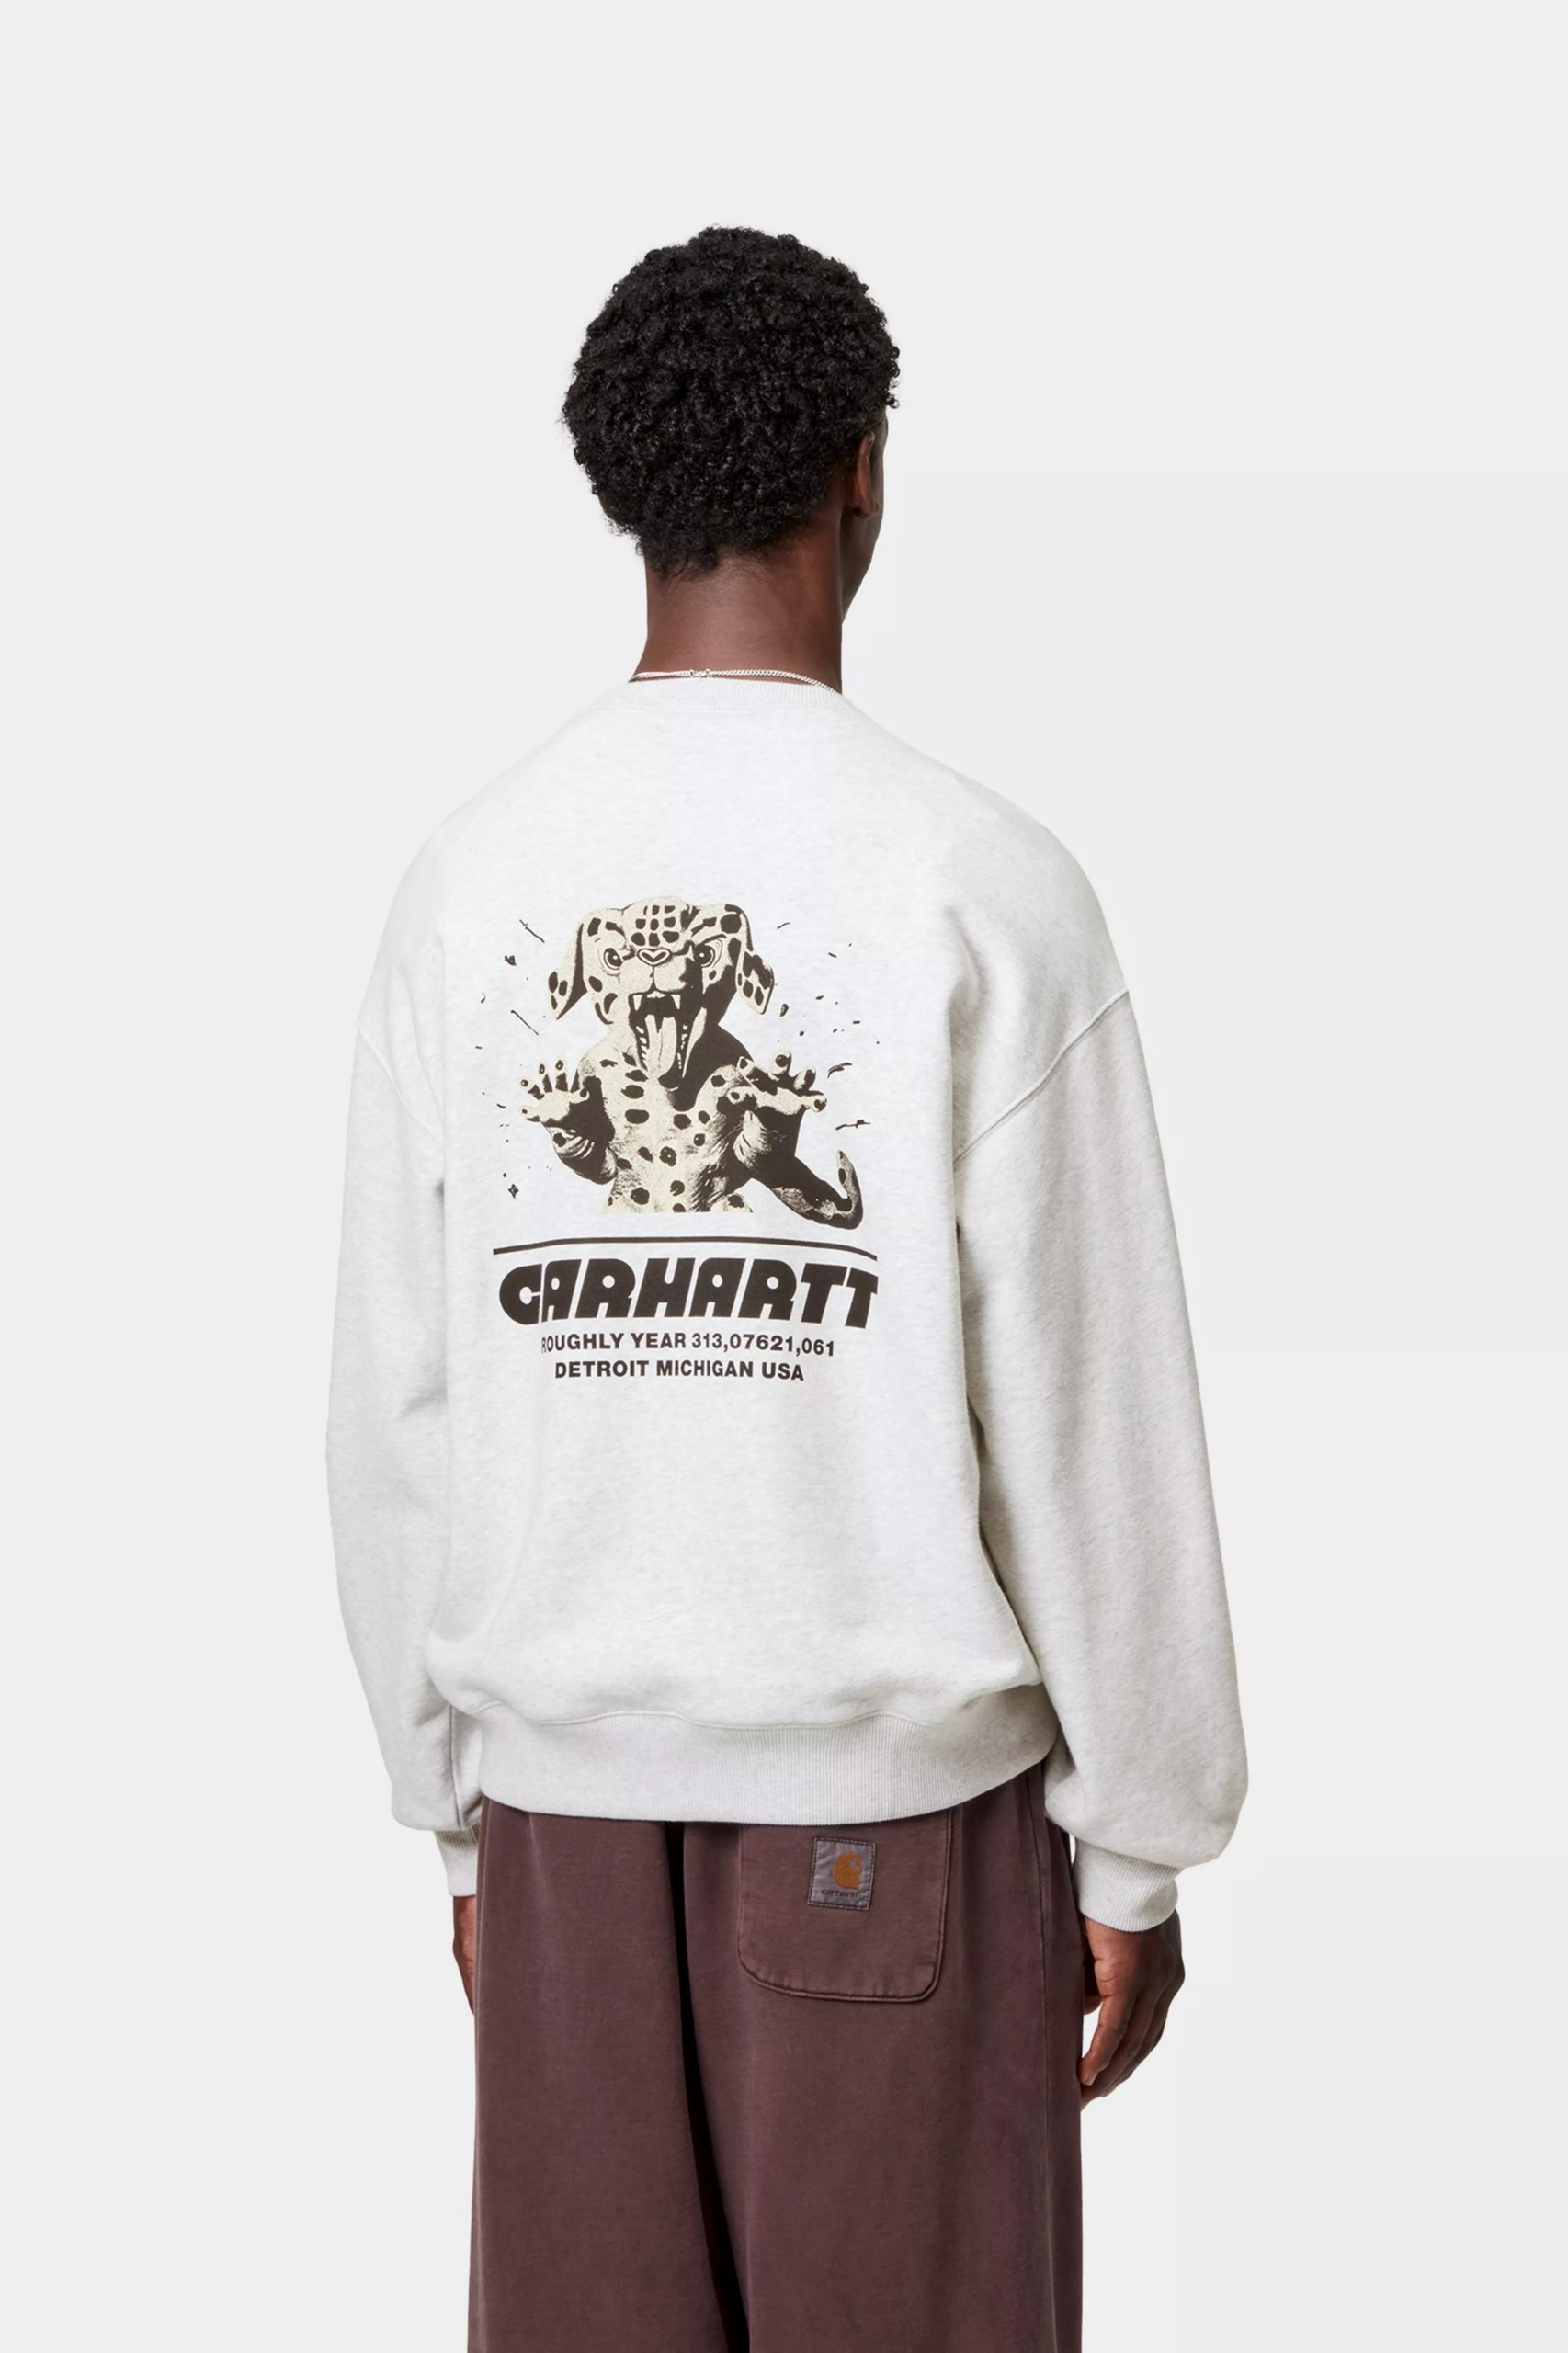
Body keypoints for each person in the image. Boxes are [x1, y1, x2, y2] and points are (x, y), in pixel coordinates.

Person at [328, 224, 1246, 2353]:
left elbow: (400, 1400)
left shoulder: (468, 884)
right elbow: (1086, 1399)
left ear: (620, 486)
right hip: (896, 1824)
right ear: (862, 471)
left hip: (557, 1823)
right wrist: (1141, 1840)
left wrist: (453, 1805)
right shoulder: (978, 883)